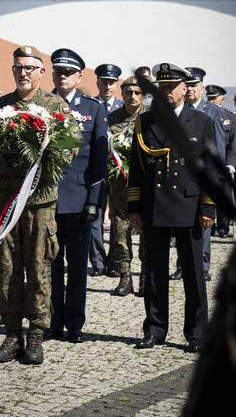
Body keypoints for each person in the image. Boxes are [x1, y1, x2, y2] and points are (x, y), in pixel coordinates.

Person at [0, 45, 78, 364]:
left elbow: (71, 151)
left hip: (40, 203)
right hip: (6, 205)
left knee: (40, 269)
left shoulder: (56, 106)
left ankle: (36, 336)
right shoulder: (0, 107)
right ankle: (12, 335)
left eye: (29, 67)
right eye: (18, 67)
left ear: (41, 72)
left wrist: (42, 149)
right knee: (7, 268)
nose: (23, 72)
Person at [128, 62, 216, 352]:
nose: (165, 91)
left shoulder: (201, 122)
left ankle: (197, 332)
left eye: (171, 87)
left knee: (193, 274)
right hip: (154, 205)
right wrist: (135, 208)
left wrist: (208, 206)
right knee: (154, 272)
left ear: (184, 88)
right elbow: (137, 169)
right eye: (161, 87)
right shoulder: (145, 122)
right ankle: (155, 329)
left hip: (190, 205)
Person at [44, 48, 108, 343]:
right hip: (46, 199)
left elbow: (98, 162)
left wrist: (95, 201)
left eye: (68, 73)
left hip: (80, 201)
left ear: (79, 76)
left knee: (78, 267)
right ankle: (53, 322)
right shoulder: (41, 105)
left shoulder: (93, 108)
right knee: (50, 266)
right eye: (58, 72)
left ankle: (74, 325)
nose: (63, 77)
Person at [169, 68, 225, 282]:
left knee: (203, 227)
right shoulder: (174, 110)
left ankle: (202, 266)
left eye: (194, 85)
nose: (191, 89)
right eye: (188, 85)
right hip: (180, 182)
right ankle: (181, 266)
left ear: (201, 87)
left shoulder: (213, 112)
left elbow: (215, 151)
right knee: (181, 227)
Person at [108, 76, 148, 297]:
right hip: (120, 184)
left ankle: (144, 276)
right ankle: (125, 276)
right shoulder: (112, 117)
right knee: (120, 230)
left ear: (143, 95)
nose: (132, 96)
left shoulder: (151, 115)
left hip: (145, 186)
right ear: (121, 93)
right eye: (128, 92)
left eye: (137, 92)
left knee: (146, 230)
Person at [89, 64, 123, 277]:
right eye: (104, 82)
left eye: (111, 82)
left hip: (119, 171)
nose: (108, 86)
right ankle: (98, 262)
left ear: (117, 84)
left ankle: (115, 262)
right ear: (98, 83)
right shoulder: (90, 106)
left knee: (119, 218)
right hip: (95, 170)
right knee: (95, 217)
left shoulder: (123, 107)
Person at [205, 84, 236, 237]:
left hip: (223, 164)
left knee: (224, 196)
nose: (211, 101)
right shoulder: (202, 114)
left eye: (214, 99)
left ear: (222, 100)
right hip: (206, 164)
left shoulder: (230, 117)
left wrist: (231, 163)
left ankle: (223, 227)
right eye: (209, 98)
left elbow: (232, 143)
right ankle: (209, 226)